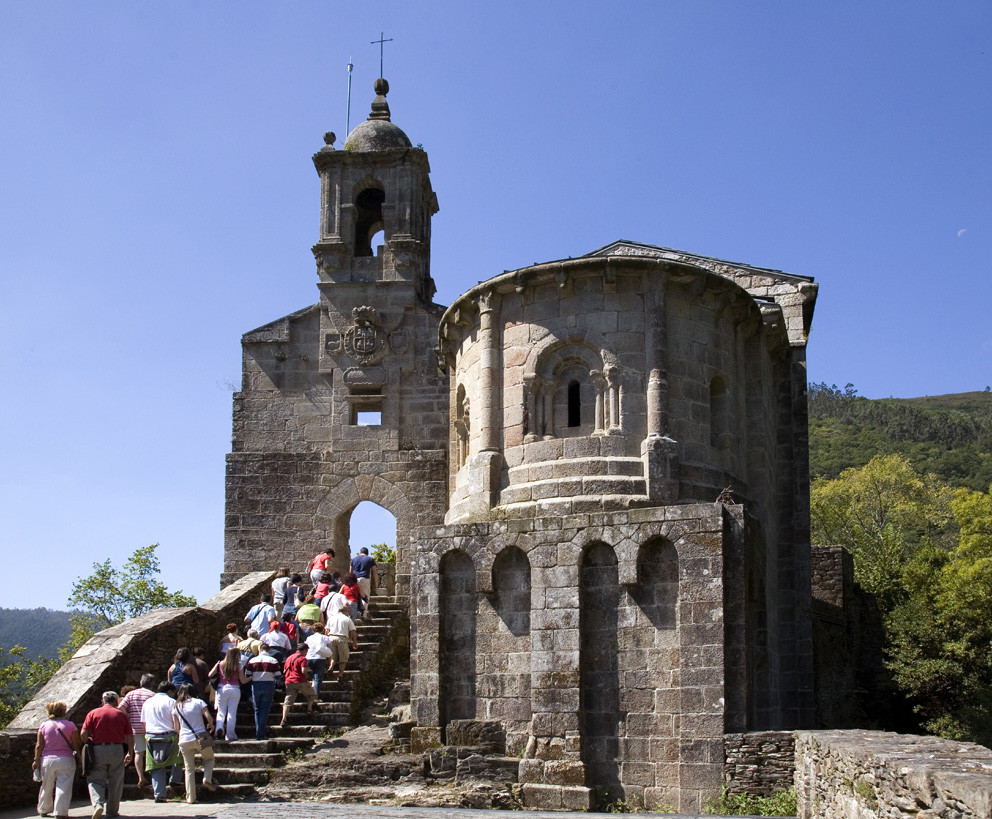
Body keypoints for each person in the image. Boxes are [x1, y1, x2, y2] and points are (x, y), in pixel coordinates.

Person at [80, 690, 134, 819]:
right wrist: (130, 753)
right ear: (116, 702)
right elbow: (129, 736)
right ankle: (112, 811)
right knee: (116, 781)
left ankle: (98, 804)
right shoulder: (121, 715)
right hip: (117, 749)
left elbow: (83, 733)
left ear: (102, 701)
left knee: (94, 779)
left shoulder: (93, 713)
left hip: (98, 749)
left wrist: (88, 741)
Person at [33, 699, 81, 819]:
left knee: (46, 785)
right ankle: (60, 812)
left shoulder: (43, 725)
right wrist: (80, 757)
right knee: (64, 786)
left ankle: (43, 809)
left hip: (48, 760)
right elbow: (76, 744)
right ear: (64, 711)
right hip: (66, 758)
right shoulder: (70, 725)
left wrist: (36, 760)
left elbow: (39, 745)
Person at [172, 684, 216, 802]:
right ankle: (207, 778)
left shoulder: (176, 706)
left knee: (189, 769)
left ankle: (191, 798)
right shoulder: (199, 702)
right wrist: (211, 726)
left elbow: (176, 727)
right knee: (209, 758)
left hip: (184, 739)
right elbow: (209, 717)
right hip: (200, 737)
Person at [140, 682, 182, 803]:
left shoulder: (147, 702)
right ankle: (175, 779)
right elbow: (176, 721)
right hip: (169, 735)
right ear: (169, 691)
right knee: (177, 759)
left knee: (156, 765)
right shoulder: (171, 702)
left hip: (151, 736)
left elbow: (144, 722)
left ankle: (159, 794)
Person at [118, 674, 156, 787]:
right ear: (152, 684)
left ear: (141, 682)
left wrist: (128, 717)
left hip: (135, 727)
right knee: (152, 752)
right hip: (150, 727)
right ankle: (154, 776)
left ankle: (141, 776)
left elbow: (121, 707)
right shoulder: (153, 695)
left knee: (138, 753)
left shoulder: (131, 694)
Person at [210, 647, 248, 741]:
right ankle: (230, 735)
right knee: (232, 713)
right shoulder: (239, 666)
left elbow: (210, 674)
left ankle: (219, 728)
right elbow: (242, 680)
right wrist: (250, 678)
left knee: (221, 711)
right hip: (234, 689)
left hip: (221, 689)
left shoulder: (220, 663)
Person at [245, 645, 281, 740]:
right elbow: (278, 675)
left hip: (256, 685)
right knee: (264, 710)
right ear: (269, 650)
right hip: (268, 685)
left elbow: (247, 674)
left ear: (259, 650)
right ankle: (261, 733)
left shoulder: (252, 660)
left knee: (257, 710)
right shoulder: (273, 660)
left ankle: (258, 732)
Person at [280, 644, 317, 728]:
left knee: (288, 701)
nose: (306, 653)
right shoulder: (302, 658)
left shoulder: (289, 658)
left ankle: (284, 719)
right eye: (306, 651)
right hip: (300, 680)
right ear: (303, 650)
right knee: (311, 694)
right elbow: (303, 670)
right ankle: (309, 709)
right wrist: (306, 677)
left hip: (289, 681)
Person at [324, 599, 359, 683]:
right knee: (343, 658)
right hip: (342, 638)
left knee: (333, 656)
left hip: (331, 637)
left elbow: (326, 630)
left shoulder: (331, 618)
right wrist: (354, 642)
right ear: (346, 611)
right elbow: (353, 631)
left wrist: (326, 639)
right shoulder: (347, 619)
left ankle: (330, 667)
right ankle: (340, 675)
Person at [304, 623, 334, 700]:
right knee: (317, 678)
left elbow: (305, 647)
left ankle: (307, 693)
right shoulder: (325, 637)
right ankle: (315, 696)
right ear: (322, 629)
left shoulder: (309, 638)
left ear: (313, 630)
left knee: (308, 676)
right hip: (320, 658)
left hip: (309, 658)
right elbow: (330, 647)